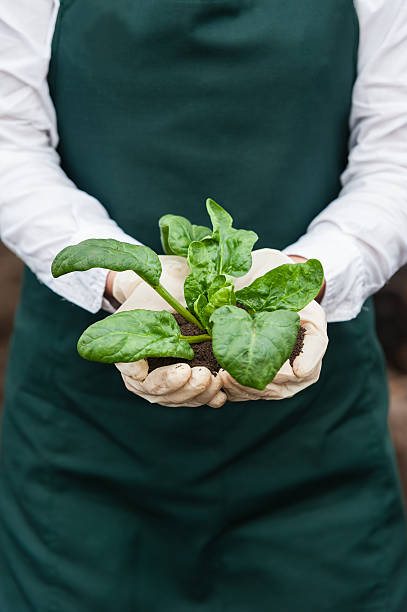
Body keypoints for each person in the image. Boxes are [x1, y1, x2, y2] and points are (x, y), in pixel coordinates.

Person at [1, 0, 407, 610]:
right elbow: (8, 136)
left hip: (312, 444)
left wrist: (303, 280)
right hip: (85, 445)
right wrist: (123, 281)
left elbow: (396, 149)